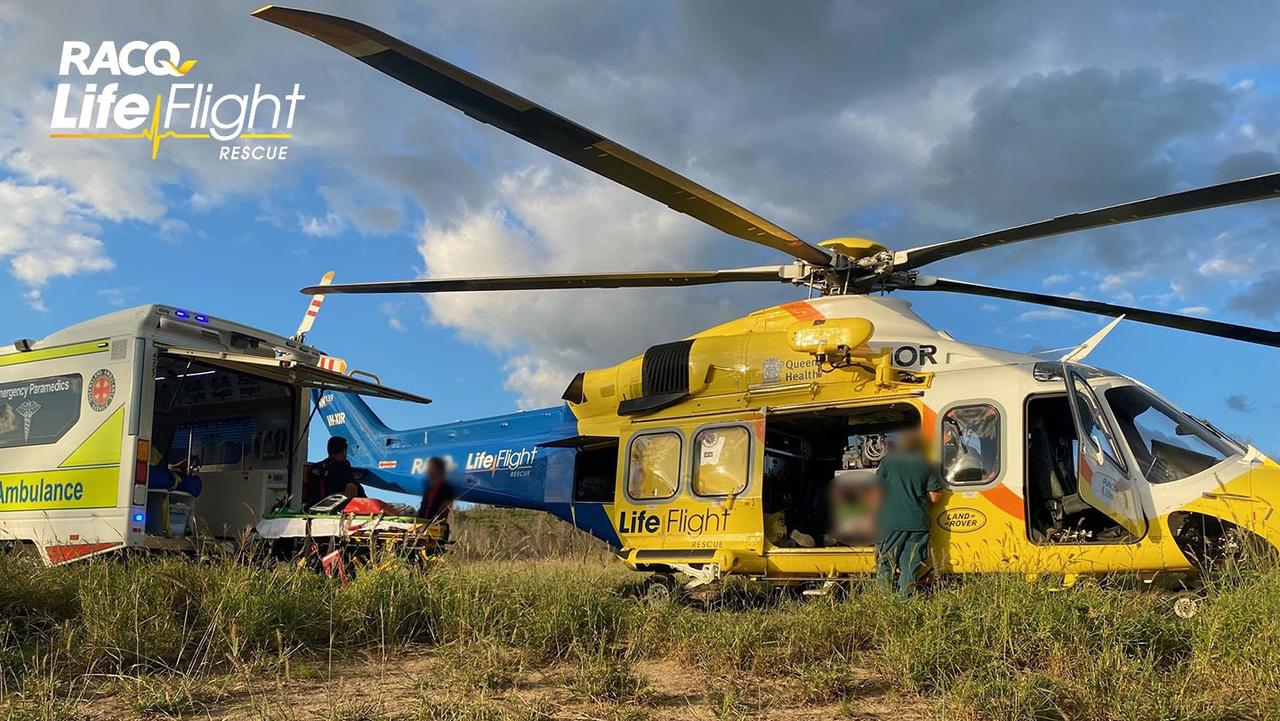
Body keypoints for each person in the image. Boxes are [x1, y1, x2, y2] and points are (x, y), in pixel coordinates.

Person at [874, 429, 942, 597]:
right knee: (911, 564)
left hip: (892, 522)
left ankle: (884, 601)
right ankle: (906, 601)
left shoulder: (887, 462)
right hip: (918, 523)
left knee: (886, 563)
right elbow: (934, 497)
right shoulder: (926, 464)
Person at [311, 436, 364, 501]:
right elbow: (351, 487)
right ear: (343, 451)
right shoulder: (342, 465)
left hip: (316, 505)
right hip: (337, 507)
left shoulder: (316, 467)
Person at [417, 456, 454, 540]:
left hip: (432, 526)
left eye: (430, 467)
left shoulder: (447, 486)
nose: (428, 470)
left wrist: (432, 523)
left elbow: (446, 507)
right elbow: (423, 505)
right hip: (421, 523)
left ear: (438, 469)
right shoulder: (429, 487)